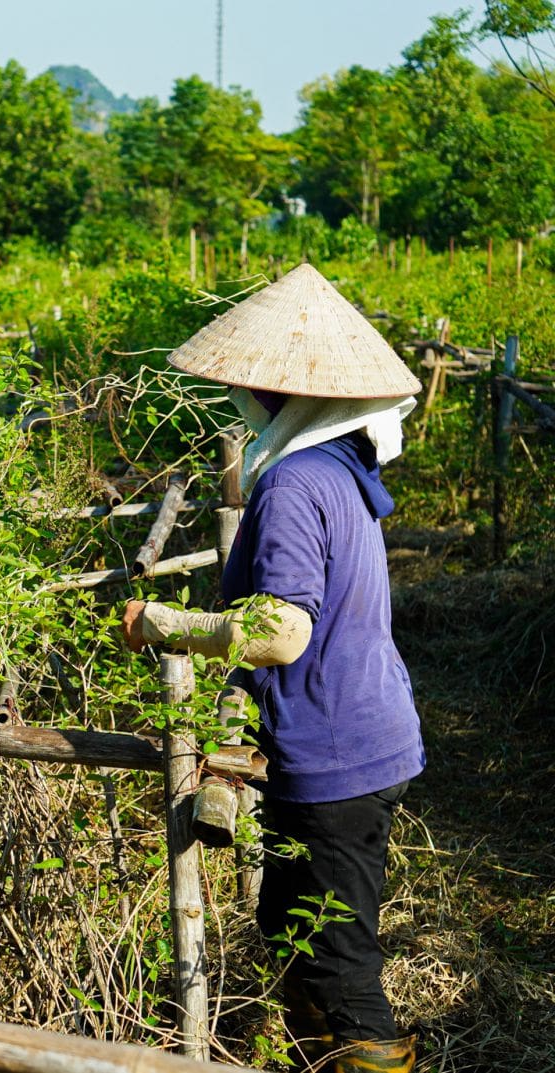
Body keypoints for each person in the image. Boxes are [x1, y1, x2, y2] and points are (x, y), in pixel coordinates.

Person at [120, 264, 424, 1073]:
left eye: (253, 391)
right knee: (291, 926)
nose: (243, 403)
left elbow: (283, 630)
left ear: (283, 399)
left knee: (340, 964)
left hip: (338, 750)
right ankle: (310, 1057)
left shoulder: (293, 482)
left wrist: (163, 624)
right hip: (349, 736)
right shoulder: (340, 471)